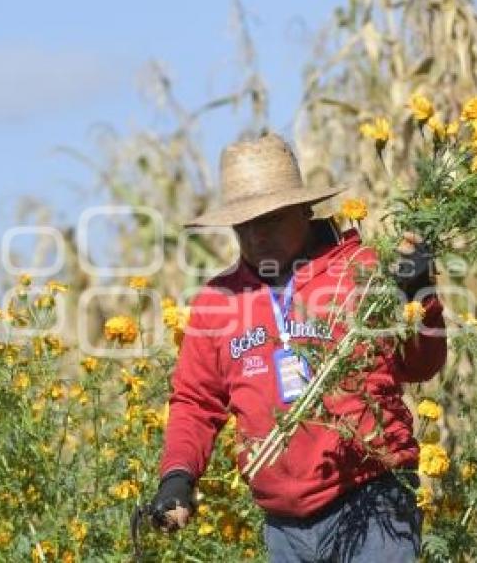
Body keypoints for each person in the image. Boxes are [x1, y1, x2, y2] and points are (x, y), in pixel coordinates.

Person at [147, 133, 446, 562]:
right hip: (283, 528)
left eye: (268, 220)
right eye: (244, 224)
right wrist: (177, 476)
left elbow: (420, 365)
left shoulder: (360, 270)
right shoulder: (219, 301)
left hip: (372, 500)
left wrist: (419, 295)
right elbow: (195, 402)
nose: (255, 235)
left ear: (304, 211)